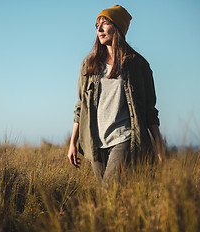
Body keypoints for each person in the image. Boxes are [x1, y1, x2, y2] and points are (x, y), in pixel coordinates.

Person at [67, 5, 164, 185]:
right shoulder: (89, 64)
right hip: (95, 142)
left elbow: (150, 109)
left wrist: (159, 146)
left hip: (124, 137)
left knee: (108, 191)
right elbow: (80, 105)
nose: (99, 28)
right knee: (114, 199)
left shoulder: (138, 65)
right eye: (97, 24)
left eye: (105, 23)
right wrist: (72, 143)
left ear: (118, 28)